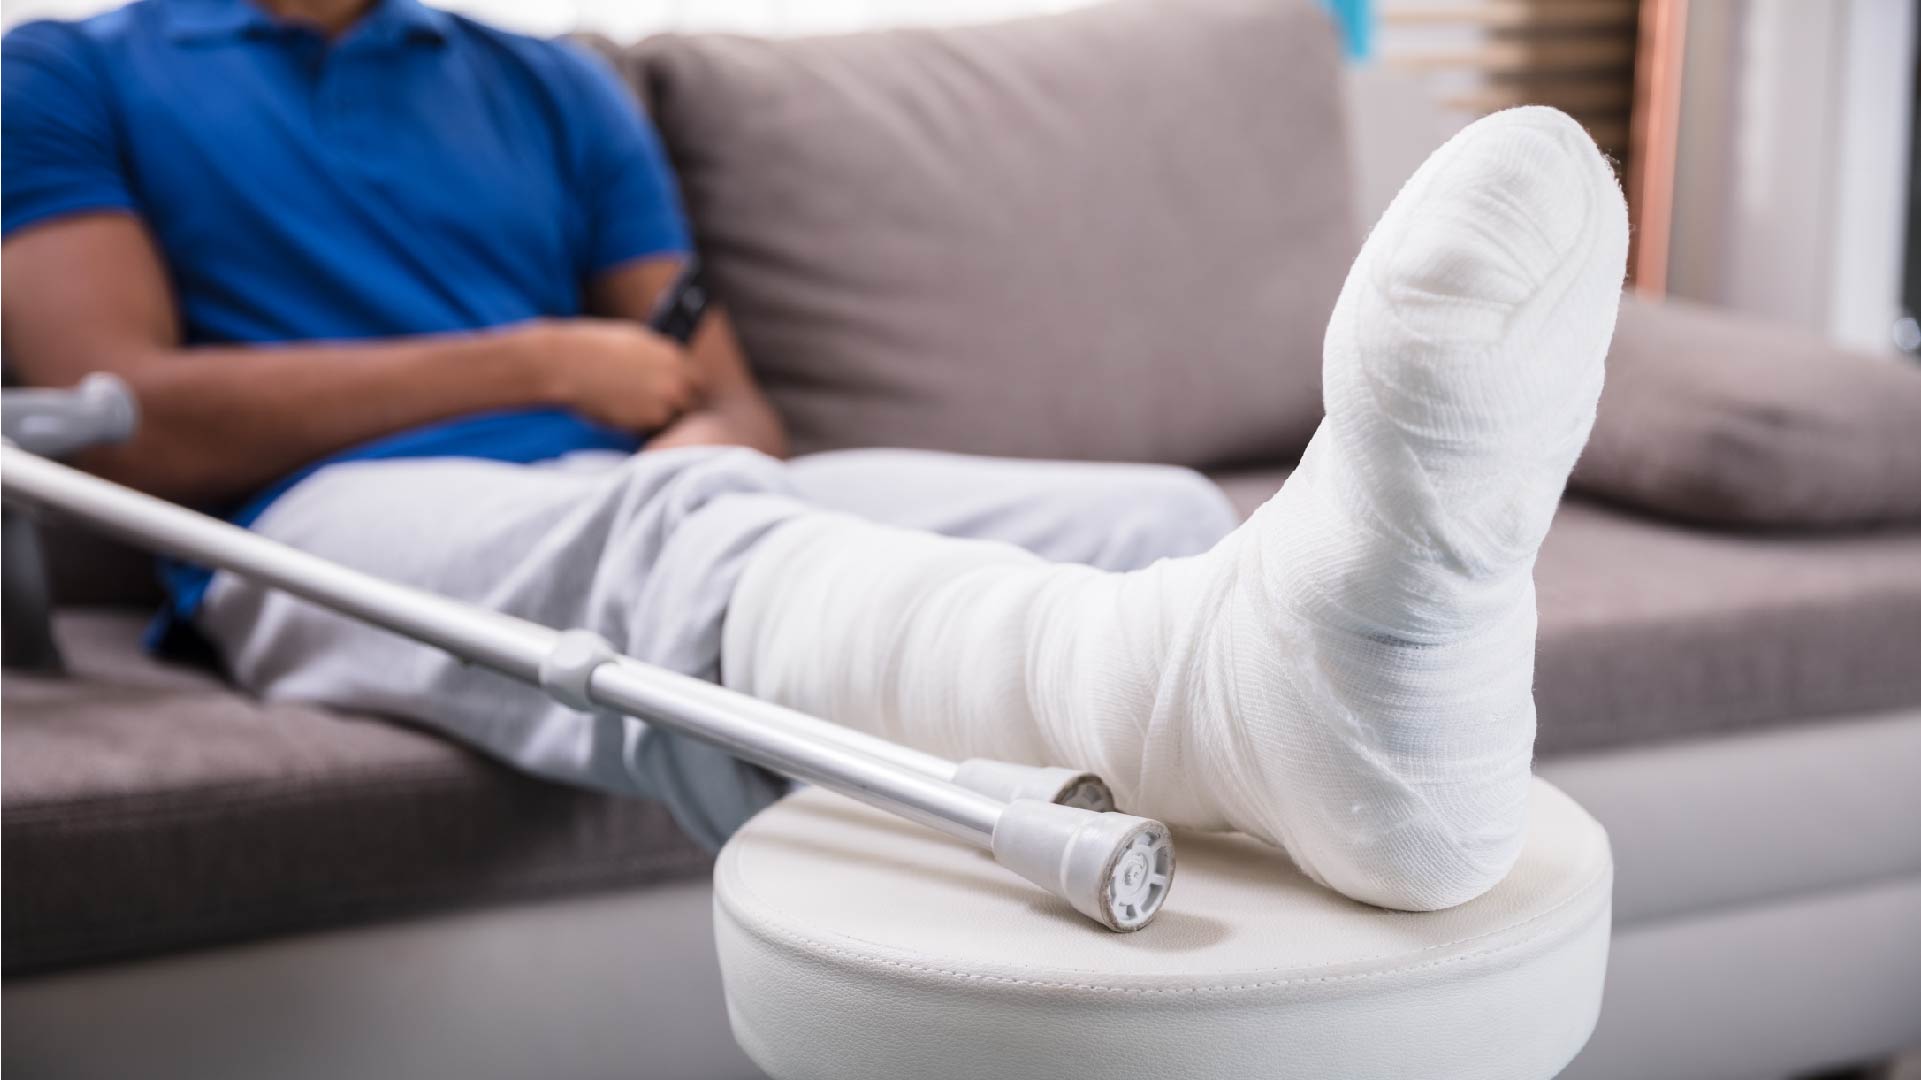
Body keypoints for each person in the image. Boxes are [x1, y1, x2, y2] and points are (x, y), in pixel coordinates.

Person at [3, 0, 1629, 911]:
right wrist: (545, 362)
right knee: (674, 516)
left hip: (645, 485)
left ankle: (1326, 719)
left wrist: (682, 432)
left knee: (1149, 518)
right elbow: (129, 410)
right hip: (325, 524)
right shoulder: (68, 75)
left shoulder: (549, 90)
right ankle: (1255, 714)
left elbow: (727, 409)